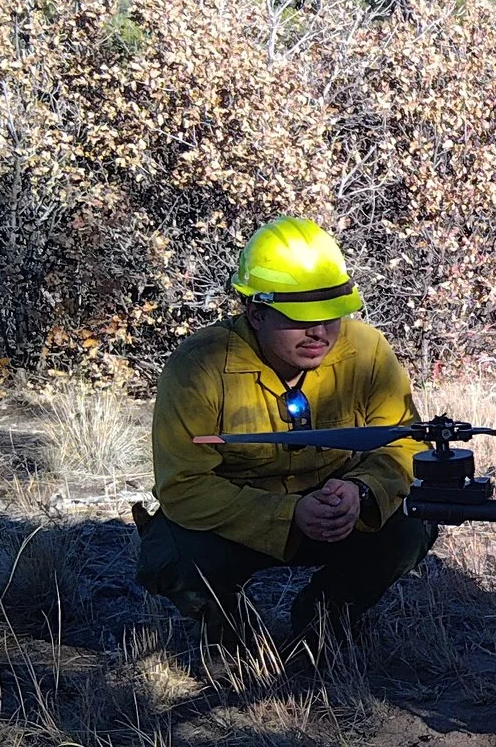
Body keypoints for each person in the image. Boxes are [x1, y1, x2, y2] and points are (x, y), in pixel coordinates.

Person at [140, 217, 434, 659]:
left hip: (340, 514)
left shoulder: (368, 350)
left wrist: (361, 492)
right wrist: (289, 514)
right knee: (172, 553)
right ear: (255, 312)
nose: (319, 332)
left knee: (413, 521)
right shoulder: (198, 367)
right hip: (242, 522)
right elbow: (183, 486)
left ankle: (324, 626)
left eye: (331, 314)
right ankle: (233, 642)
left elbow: (405, 443)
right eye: (300, 317)